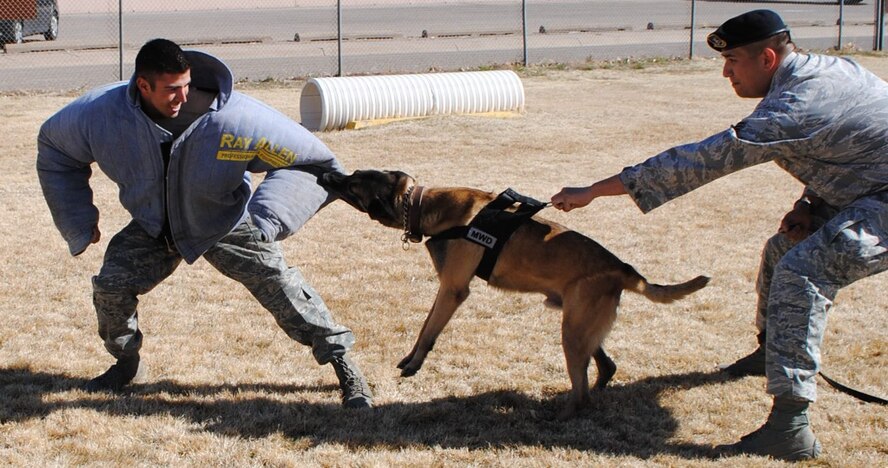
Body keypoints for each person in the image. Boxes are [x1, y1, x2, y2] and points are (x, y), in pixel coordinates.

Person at [550, 9, 887, 462]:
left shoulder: (795, 106)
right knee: (782, 250)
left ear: (767, 57)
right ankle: (771, 351)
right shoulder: (824, 71)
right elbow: (849, 148)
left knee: (803, 270)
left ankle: (790, 425)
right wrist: (810, 205)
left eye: (733, 62)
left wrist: (592, 191)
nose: (726, 71)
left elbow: (703, 160)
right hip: (871, 188)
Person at [36, 38, 373, 408]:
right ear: (143, 85)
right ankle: (127, 363)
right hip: (153, 224)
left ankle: (345, 365)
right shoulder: (100, 115)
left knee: (282, 288)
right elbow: (57, 149)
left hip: (221, 221)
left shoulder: (235, 119)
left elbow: (311, 162)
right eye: (170, 90)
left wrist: (268, 218)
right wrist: (79, 221)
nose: (182, 96)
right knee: (110, 290)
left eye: (186, 85)